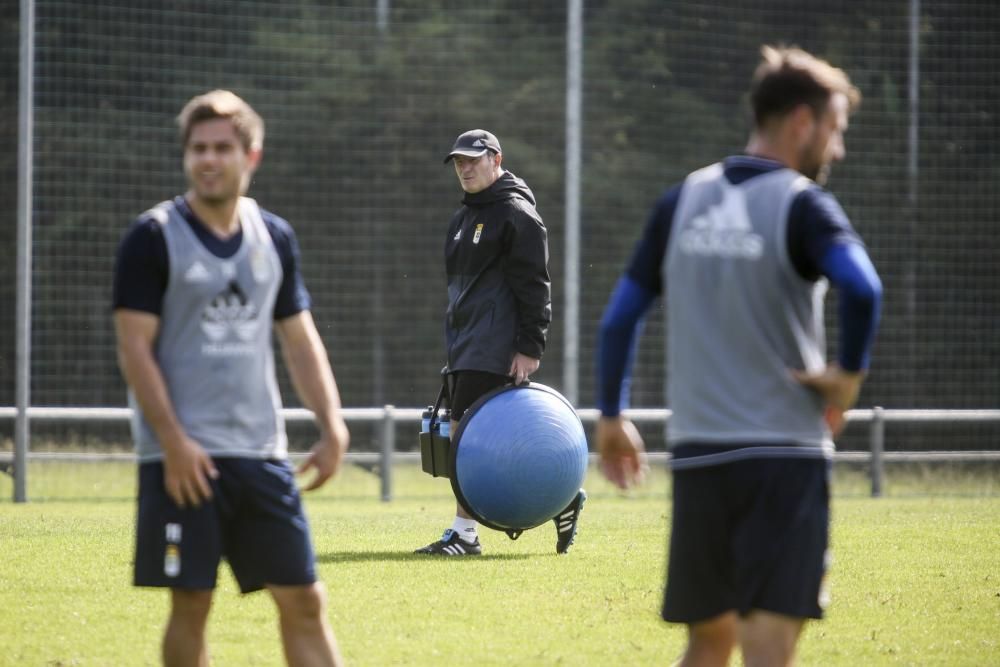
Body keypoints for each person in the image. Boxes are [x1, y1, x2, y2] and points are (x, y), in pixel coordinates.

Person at [595, 46, 882, 666]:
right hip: (784, 460)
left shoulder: (681, 201)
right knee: (767, 650)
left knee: (709, 640)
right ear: (802, 122)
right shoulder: (802, 204)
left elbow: (619, 318)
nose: (837, 150)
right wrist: (847, 377)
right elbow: (863, 288)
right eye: (834, 132)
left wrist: (613, 416)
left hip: (701, 457)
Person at [113, 90, 349, 667]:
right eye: (198, 149)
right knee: (192, 602)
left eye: (222, 148)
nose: (208, 160)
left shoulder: (275, 238)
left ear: (252, 155)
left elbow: (299, 341)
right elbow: (134, 349)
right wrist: (173, 443)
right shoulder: (152, 236)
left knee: (304, 600)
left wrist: (332, 425)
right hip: (184, 457)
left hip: (261, 453)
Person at [415, 129, 586, 556]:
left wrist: (531, 346)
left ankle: (464, 535)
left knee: (466, 437)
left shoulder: (516, 213)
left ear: (496, 159)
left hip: (496, 345)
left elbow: (535, 286)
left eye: (473, 159)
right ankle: (564, 498)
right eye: (459, 162)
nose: (465, 168)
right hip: (465, 343)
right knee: (472, 437)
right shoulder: (462, 218)